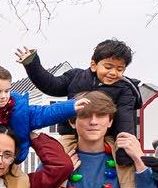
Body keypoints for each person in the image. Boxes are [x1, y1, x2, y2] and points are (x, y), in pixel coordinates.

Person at [18, 40, 146, 142]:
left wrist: (124, 152)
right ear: (94, 65)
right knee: (60, 160)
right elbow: (52, 85)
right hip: (72, 135)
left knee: (123, 159)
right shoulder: (76, 77)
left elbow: (125, 120)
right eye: (108, 67)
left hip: (106, 137)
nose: (113, 72)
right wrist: (32, 64)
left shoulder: (124, 89)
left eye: (119, 69)